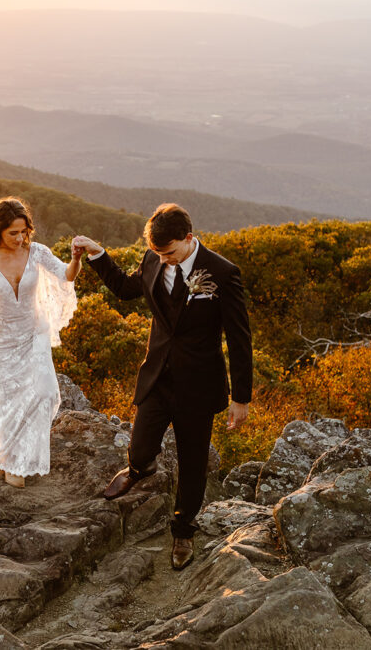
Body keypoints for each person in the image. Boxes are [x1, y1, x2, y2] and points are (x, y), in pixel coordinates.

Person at [72, 203, 252, 570]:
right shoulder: (154, 259)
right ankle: (140, 469)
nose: (163, 259)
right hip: (157, 377)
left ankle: (183, 530)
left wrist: (241, 397)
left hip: (198, 387)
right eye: (157, 253)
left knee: (192, 463)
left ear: (188, 238)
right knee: (139, 448)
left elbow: (239, 339)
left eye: (169, 252)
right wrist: (98, 255)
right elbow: (125, 290)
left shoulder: (222, 273)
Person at [0, 197, 80, 488]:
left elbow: (66, 274)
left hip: (33, 333)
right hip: (2, 343)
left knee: (45, 393)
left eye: (23, 231)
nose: (19, 238)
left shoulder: (37, 252)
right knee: (9, 403)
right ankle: (12, 461)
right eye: (12, 233)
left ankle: (24, 456)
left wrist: (76, 259)